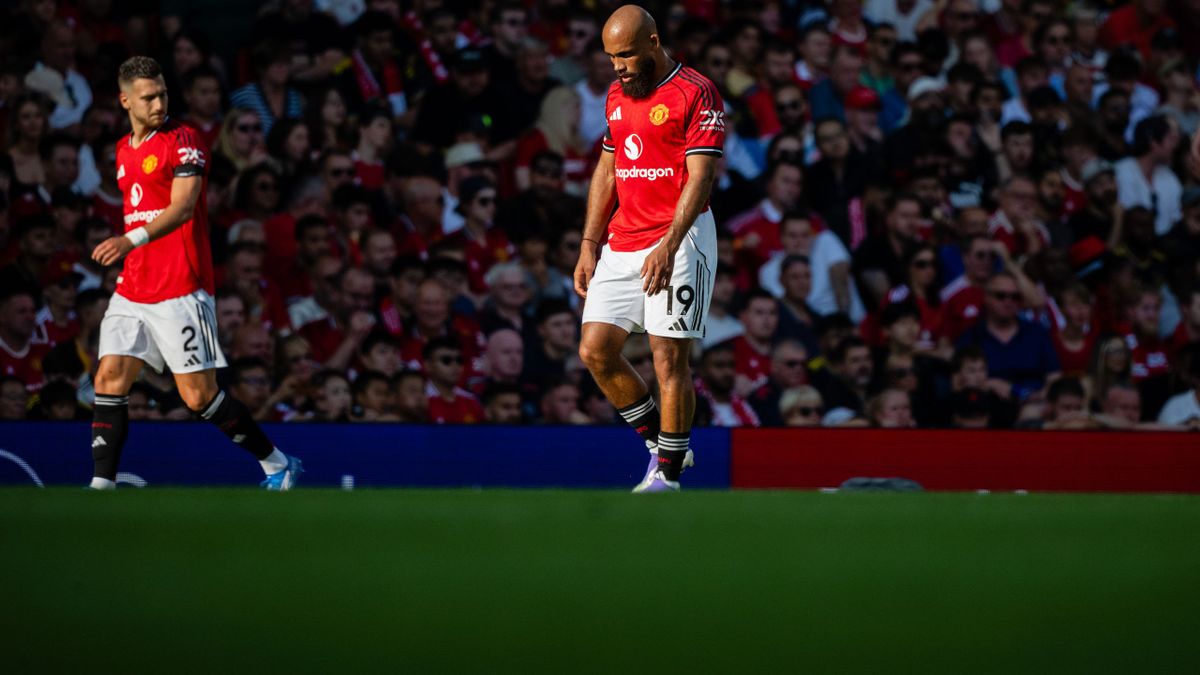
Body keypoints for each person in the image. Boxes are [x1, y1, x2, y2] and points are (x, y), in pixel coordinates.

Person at [86, 57, 300, 490]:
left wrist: (129, 240)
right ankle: (100, 489)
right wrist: (133, 250)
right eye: (148, 97)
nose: (159, 104)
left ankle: (277, 463)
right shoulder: (123, 150)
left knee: (198, 396)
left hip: (181, 285)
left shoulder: (184, 140)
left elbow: (183, 207)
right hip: (134, 286)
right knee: (108, 377)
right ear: (125, 101)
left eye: (163, 94)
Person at [575, 5, 724, 492]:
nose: (617, 66)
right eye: (611, 57)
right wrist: (589, 243)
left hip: (682, 240)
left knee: (668, 360)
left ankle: (668, 477)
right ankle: (663, 445)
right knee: (595, 350)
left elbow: (701, 178)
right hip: (623, 239)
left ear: (654, 43)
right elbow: (608, 169)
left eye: (626, 55)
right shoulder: (617, 94)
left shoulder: (696, 91)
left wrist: (669, 245)